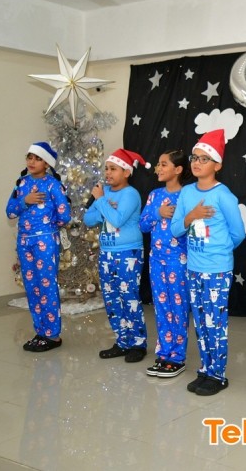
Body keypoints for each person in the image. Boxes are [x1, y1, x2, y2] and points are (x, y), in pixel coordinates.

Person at [170, 129, 246, 396]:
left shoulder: (223, 195)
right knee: (201, 322)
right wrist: (191, 216)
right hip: (193, 268)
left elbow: (238, 233)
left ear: (217, 165)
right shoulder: (186, 193)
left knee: (215, 323)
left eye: (204, 159)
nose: (197, 163)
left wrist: (219, 253)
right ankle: (205, 368)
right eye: (195, 158)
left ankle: (218, 374)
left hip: (217, 270)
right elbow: (175, 229)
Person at [84, 148, 150, 363]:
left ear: (127, 172)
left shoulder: (130, 194)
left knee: (129, 297)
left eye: (113, 169)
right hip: (107, 253)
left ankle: (138, 344)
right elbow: (88, 219)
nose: (108, 173)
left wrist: (103, 204)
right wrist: (104, 205)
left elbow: (118, 219)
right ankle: (122, 341)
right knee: (112, 299)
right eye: (106, 169)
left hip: (128, 252)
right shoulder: (104, 194)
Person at [6, 142, 71, 352]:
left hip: (45, 241)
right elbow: (10, 212)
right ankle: (41, 331)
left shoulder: (53, 185)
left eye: (37, 158)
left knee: (47, 286)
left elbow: (65, 215)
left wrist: (48, 228)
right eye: (30, 157)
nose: (32, 162)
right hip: (25, 242)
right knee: (32, 287)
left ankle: (52, 335)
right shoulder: (22, 183)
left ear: (47, 163)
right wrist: (25, 201)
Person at [139, 150, 192, 378]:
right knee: (161, 308)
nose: (158, 168)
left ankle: (177, 358)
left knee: (178, 308)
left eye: (163, 164)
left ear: (177, 169)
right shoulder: (154, 195)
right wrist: (157, 213)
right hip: (156, 261)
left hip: (179, 261)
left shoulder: (187, 195)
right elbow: (143, 225)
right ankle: (164, 354)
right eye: (158, 164)